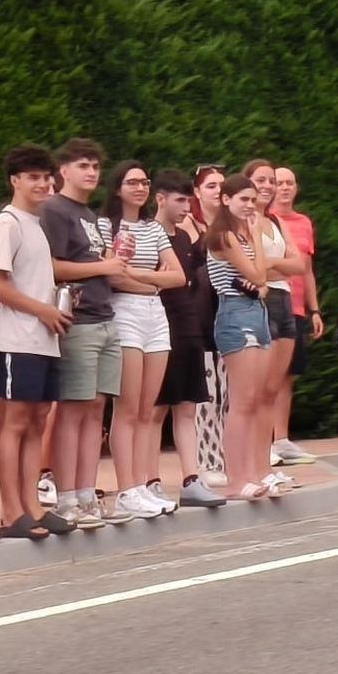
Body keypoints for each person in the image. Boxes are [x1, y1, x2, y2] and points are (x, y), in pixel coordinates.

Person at [0, 144, 76, 539]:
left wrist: (53, 306)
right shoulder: (8, 223)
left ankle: (32, 505)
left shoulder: (35, 224)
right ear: (15, 180)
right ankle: (10, 511)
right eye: (33, 177)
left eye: (45, 176)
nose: (42, 183)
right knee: (13, 424)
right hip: (15, 340)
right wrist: (42, 309)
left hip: (43, 338)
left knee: (37, 422)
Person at [41, 137, 126, 527]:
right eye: (82, 165)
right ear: (63, 171)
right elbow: (53, 266)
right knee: (72, 411)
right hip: (79, 320)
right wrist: (102, 268)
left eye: (94, 166)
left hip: (105, 315)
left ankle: (88, 492)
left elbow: (99, 264)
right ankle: (67, 496)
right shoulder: (55, 210)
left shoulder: (91, 215)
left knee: (96, 411)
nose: (90, 172)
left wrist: (110, 264)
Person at [100, 161, 185, 519]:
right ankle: (127, 488)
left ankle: (141, 485)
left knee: (148, 407)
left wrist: (136, 275)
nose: (140, 188)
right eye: (132, 182)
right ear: (117, 187)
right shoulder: (107, 226)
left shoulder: (153, 229)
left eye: (145, 182)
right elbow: (111, 277)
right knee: (128, 406)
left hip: (155, 313)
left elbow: (179, 276)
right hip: (125, 313)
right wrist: (151, 279)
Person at [147, 170, 224, 508]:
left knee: (187, 407)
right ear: (160, 199)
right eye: (179, 200)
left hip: (189, 325)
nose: (185, 207)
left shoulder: (183, 239)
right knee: (154, 409)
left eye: (187, 200)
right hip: (159, 327)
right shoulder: (147, 235)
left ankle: (192, 478)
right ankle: (148, 480)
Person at [206, 172, 278, 501]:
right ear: (226, 200)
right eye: (243, 199)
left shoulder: (242, 235)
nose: (250, 205)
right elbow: (259, 274)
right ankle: (236, 479)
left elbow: (262, 284)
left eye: (253, 200)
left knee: (255, 399)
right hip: (235, 314)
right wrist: (256, 236)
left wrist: (254, 241)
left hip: (255, 313)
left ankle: (251, 473)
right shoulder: (224, 235)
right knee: (242, 401)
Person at [245, 160, 304, 493]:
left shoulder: (276, 221)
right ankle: (252, 465)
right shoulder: (245, 219)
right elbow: (253, 268)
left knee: (272, 390)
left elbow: (296, 265)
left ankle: (266, 465)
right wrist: (272, 267)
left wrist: (272, 265)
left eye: (271, 180)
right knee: (255, 392)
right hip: (262, 302)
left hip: (284, 302)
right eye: (260, 180)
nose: (267, 186)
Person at [268, 164, 322, 465]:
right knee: (269, 376)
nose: (284, 187)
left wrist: (314, 308)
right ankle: (265, 441)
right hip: (273, 300)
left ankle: (282, 438)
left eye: (289, 182)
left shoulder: (303, 222)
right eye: (279, 182)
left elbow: (307, 270)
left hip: (297, 306)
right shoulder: (265, 220)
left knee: (288, 376)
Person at [191, 164, 230, 482]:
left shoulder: (234, 225)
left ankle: (230, 456)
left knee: (229, 392)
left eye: (221, 185)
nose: (217, 190)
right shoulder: (189, 225)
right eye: (210, 185)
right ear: (197, 191)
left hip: (228, 313)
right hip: (200, 316)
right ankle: (207, 460)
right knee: (207, 394)